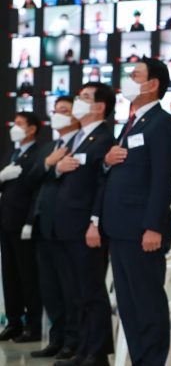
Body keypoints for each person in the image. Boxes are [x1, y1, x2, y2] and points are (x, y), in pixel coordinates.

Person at [102, 58, 171, 366]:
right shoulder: (133, 121)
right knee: (129, 308)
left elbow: (163, 179)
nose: (129, 79)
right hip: (120, 230)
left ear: (152, 85)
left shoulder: (163, 123)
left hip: (142, 232)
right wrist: (107, 161)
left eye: (135, 75)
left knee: (147, 306)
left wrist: (154, 227)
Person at [53, 84, 116, 366]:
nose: (79, 102)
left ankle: (98, 353)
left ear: (100, 106)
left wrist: (95, 222)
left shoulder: (104, 139)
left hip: (86, 227)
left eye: (85, 98)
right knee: (76, 292)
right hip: (67, 226)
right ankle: (83, 349)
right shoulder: (78, 138)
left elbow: (102, 184)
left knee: (91, 291)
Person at [25, 97, 80, 360]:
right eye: (56, 111)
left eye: (65, 111)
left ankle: (72, 341)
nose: (58, 115)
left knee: (69, 288)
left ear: (75, 116)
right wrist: (49, 163)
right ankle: (55, 339)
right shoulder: (49, 147)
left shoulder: (80, 144)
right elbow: (30, 178)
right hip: (44, 227)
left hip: (67, 228)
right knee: (50, 288)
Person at [0, 111, 43, 342]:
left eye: (19, 124)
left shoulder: (38, 154)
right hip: (5, 222)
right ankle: (13, 322)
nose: (14, 127)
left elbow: (36, 190)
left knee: (29, 277)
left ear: (32, 128)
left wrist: (29, 222)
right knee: (10, 276)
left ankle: (33, 325)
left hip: (25, 224)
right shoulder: (11, 154)